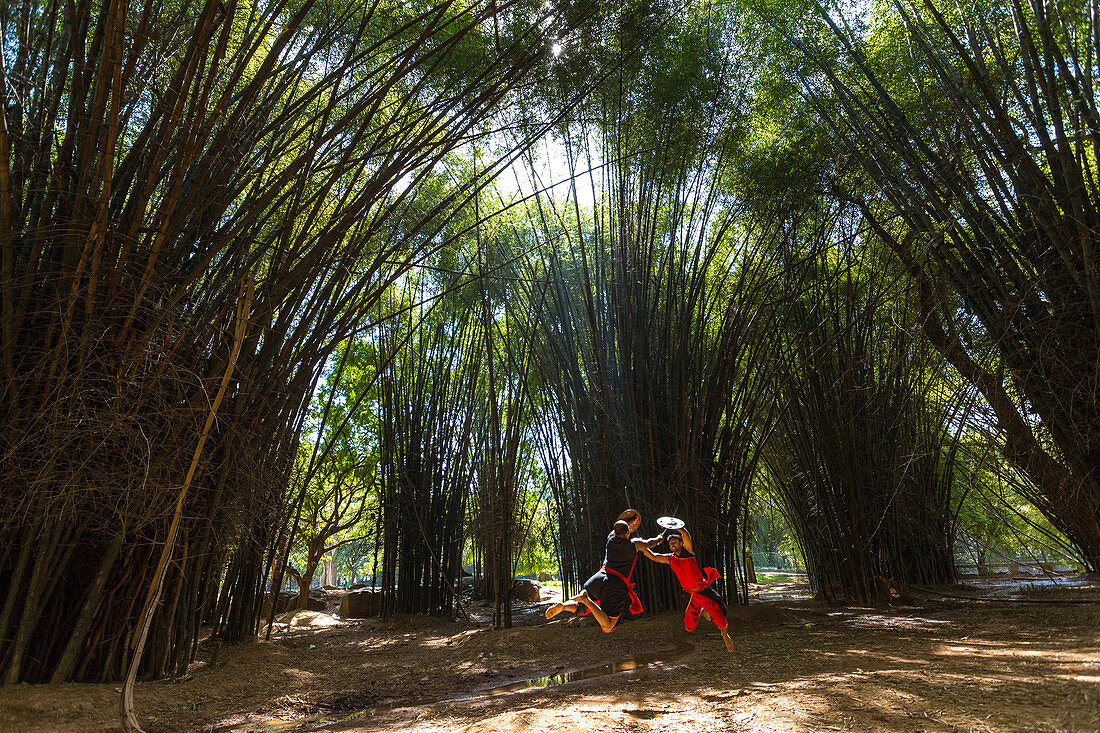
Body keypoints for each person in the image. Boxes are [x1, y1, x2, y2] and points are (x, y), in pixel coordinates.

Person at [544, 509, 661, 633]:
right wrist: (659, 538)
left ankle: (563, 607)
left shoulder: (610, 539)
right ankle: (586, 600)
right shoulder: (634, 544)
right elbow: (650, 543)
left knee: (580, 608)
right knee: (608, 625)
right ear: (628, 533)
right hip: (615, 583)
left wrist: (627, 521)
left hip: (599, 577)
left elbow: (616, 531)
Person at [642, 525, 735, 651]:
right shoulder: (670, 559)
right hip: (689, 595)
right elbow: (653, 556)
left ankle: (724, 634)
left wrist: (675, 526)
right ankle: (702, 611)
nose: (672, 544)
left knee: (721, 619)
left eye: (674, 542)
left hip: (703, 591)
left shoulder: (688, 552)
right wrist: (642, 546)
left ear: (681, 543)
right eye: (670, 543)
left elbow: (685, 534)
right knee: (689, 626)